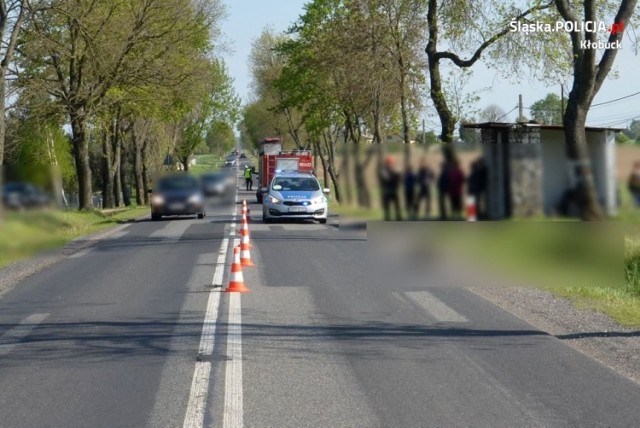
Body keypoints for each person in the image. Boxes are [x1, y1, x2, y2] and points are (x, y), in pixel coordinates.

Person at [379, 155, 402, 221]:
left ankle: (398, 217)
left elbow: (398, 179)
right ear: (386, 163)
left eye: (391, 163)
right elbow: (385, 180)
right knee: (387, 206)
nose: (390, 164)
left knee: (397, 205)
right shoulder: (384, 171)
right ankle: (387, 218)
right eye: (389, 163)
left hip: (394, 190)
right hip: (387, 191)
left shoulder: (395, 170)